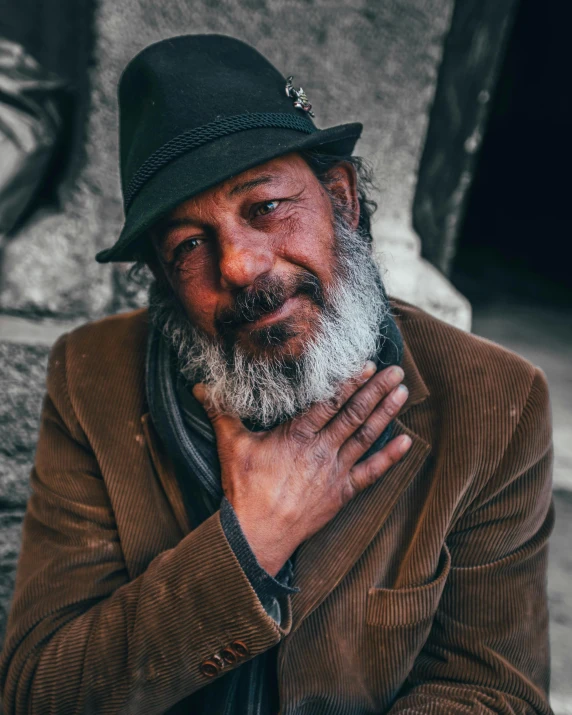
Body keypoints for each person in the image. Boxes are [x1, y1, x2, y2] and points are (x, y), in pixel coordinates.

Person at [0, 34, 555, 715]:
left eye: (265, 208)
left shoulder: (494, 402)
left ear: (342, 199)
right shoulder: (92, 378)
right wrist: (250, 540)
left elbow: (495, 693)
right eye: (188, 245)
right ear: (166, 283)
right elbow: (37, 692)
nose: (238, 265)